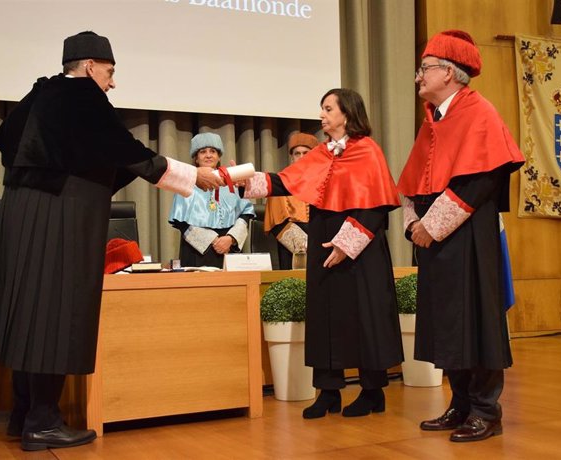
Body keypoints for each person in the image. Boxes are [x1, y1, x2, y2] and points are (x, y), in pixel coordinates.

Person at [0, 31, 222, 452]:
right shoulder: (81, 97)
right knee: (56, 311)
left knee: (30, 311)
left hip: (25, 216)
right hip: (60, 216)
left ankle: (23, 414)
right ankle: (42, 422)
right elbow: (124, 149)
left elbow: (28, 148)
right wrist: (190, 175)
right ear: (91, 66)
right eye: (110, 72)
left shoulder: (41, 95)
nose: (112, 83)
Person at [397, 30, 525, 442]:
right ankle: (461, 403)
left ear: (449, 73)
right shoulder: (433, 120)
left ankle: (487, 411)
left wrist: (431, 227)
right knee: (446, 321)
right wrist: (413, 222)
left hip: (468, 236)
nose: (419, 77)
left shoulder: (479, 112)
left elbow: (480, 181)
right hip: (435, 241)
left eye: (425, 68)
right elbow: (416, 182)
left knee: (476, 319)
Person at [244, 88, 403, 419]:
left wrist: (347, 243)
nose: (322, 115)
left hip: (361, 245)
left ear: (347, 113)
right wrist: (239, 178)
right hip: (321, 236)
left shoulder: (368, 151)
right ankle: (328, 391)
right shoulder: (321, 154)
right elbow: (284, 181)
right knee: (323, 314)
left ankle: (372, 391)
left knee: (364, 315)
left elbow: (377, 208)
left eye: (328, 109)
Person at [168, 132, 255, 268]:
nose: (208, 155)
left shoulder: (234, 182)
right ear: (196, 158)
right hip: (197, 252)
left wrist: (230, 239)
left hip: (229, 249)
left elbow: (245, 214)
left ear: (218, 156)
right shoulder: (186, 183)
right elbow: (181, 222)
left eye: (213, 151)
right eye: (203, 152)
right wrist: (213, 240)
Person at [263, 132, 317, 269]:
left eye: (306, 153)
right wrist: (308, 246)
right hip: (293, 249)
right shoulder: (281, 182)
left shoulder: (325, 181)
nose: (301, 157)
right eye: (297, 154)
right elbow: (278, 223)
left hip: (321, 239)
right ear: (292, 158)